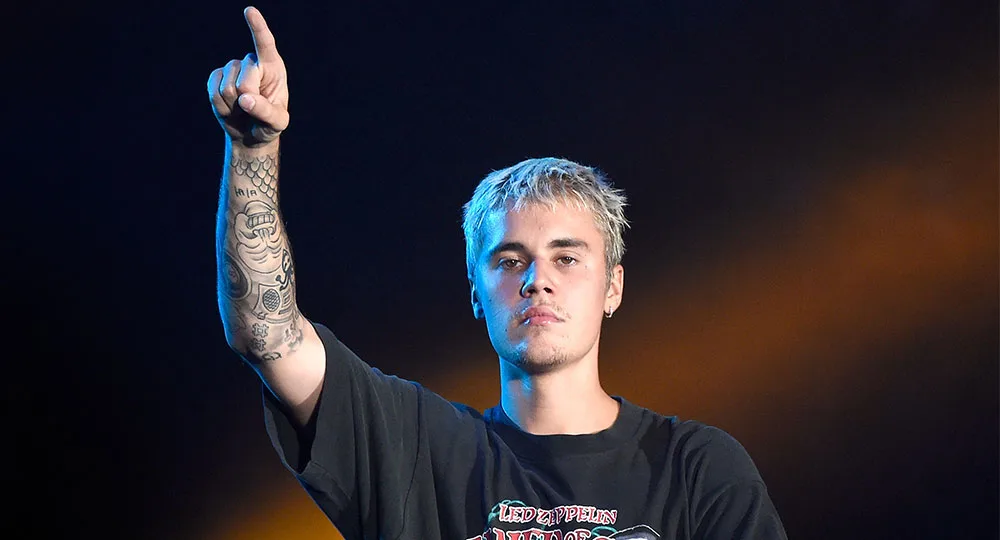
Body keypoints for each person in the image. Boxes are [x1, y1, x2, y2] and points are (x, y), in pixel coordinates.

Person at [209, 7, 788, 540]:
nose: (537, 279)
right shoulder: (417, 450)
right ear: (475, 293)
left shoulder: (697, 468)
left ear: (613, 286)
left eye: (566, 257)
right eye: (510, 261)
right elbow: (265, 333)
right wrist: (253, 149)